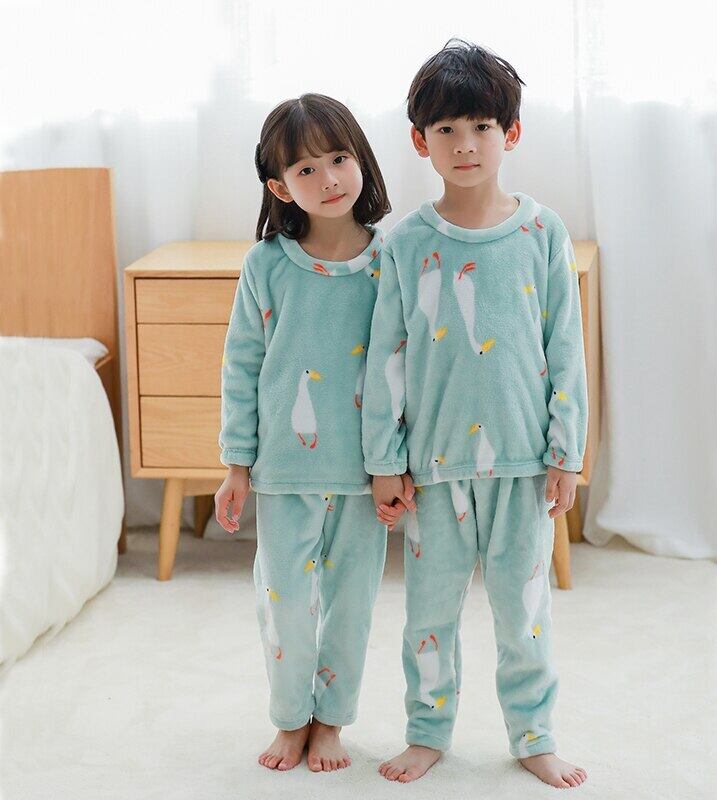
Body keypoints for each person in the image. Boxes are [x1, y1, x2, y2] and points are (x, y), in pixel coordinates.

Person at [361, 40, 589, 788]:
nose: (465, 144)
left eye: (482, 127)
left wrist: (567, 453)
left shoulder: (542, 233)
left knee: (524, 615)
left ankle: (534, 735)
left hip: (523, 466)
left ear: (510, 133)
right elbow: (387, 358)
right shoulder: (405, 242)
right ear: (420, 141)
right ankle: (427, 732)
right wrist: (384, 462)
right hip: (434, 470)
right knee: (428, 616)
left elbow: (565, 350)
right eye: (447, 130)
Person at [215, 93, 404, 773]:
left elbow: (400, 367)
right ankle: (290, 717)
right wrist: (236, 465)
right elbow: (242, 366)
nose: (328, 179)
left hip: (362, 474)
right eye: (305, 169)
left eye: (340, 158)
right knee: (287, 605)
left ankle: (332, 720)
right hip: (284, 471)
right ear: (279, 187)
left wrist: (393, 463)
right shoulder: (266, 265)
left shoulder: (392, 259)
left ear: (362, 160)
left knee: (351, 607)